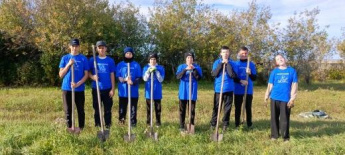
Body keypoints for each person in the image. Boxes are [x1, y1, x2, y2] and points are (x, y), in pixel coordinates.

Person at [210, 46, 247, 131]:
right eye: (223, 52)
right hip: (219, 89)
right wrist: (221, 64)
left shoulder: (233, 63)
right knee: (216, 107)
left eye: (227, 52)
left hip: (229, 89)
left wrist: (227, 65)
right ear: (221, 53)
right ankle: (213, 123)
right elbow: (214, 74)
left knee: (227, 108)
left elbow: (232, 75)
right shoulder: (217, 62)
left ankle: (225, 125)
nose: (225, 54)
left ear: (229, 53)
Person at [264, 54, 298, 141]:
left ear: (285, 59)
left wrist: (292, 98)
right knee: (274, 117)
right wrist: (266, 95)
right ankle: (274, 136)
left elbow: (294, 85)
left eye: (281, 58)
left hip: (286, 99)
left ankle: (285, 137)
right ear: (276, 63)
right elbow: (270, 85)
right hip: (274, 97)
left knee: (284, 119)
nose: (280, 60)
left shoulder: (292, 71)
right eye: (278, 59)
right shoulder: (274, 72)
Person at [59, 38, 89, 132]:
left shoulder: (83, 58)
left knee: (80, 110)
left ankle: (81, 129)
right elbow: (61, 75)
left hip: (79, 89)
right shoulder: (65, 58)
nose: (74, 48)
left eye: (76, 46)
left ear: (79, 47)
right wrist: (68, 64)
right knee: (68, 110)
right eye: (73, 46)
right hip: (67, 88)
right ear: (70, 46)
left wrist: (78, 84)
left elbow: (86, 74)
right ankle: (70, 128)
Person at [89, 41, 116, 129]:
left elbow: (112, 75)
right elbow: (87, 72)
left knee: (108, 109)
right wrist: (93, 77)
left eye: (103, 47)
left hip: (107, 88)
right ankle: (98, 126)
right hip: (96, 88)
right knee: (97, 108)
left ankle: (108, 126)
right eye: (99, 47)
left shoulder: (110, 61)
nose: (101, 49)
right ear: (97, 49)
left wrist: (113, 89)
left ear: (106, 48)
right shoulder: (93, 59)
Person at [176, 52, 202, 132]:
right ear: (185, 59)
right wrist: (185, 70)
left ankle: (191, 125)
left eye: (191, 58)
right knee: (182, 110)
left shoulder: (197, 67)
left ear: (193, 59)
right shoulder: (181, 67)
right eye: (188, 58)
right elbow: (178, 77)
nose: (189, 59)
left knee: (192, 110)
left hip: (192, 91)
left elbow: (198, 78)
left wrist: (193, 69)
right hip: (183, 91)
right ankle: (181, 125)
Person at [116, 47, 142, 127]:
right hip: (123, 92)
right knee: (122, 109)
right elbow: (118, 77)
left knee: (133, 110)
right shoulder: (120, 65)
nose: (128, 55)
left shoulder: (136, 65)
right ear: (124, 54)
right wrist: (125, 79)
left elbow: (139, 77)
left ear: (132, 55)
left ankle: (133, 125)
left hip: (133, 92)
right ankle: (121, 124)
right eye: (127, 53)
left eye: (130, 53)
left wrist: (133, 82)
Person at [234, 46, 257, 129]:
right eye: (242, 53)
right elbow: (233, 77)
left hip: (248, 90)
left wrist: (250, 73)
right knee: (238, 108)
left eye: (245, 53)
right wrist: (241, 81)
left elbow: (254, 78)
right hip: (238, 90)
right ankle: (237, 124)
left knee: (248, 107)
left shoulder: (251, 64)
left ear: (248, 54)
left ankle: (249, 124)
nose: (244, 55)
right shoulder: (235, 64)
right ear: (239, 54)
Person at [142, 53, 165, 127]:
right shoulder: (146, 68)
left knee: (158, 108)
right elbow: (145, 79)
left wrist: (156, 72)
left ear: (156, 60)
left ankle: (158, 123)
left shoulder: (160, 68)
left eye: (154, 59)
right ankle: (149, 123)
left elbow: (161, 80)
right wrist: (148, 71)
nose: (153, 61)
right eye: (151, 59)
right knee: (149, 108)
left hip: (157, 91)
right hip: (149, 91)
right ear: (149, 60)